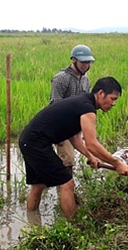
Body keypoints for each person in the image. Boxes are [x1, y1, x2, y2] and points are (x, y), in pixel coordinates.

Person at [19, 76, 128, 220]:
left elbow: (75, 138)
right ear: (101, 93)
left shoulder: (82, 103)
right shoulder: (87, 108)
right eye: (113, 98)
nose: (114, 103)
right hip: (37, 142)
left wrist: (90, 156)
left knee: (39, 185)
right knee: (67, 182)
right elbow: (92, 144)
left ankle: (32, 222)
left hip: (29, 140)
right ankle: (73, 227)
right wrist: (116, 163)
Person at [49, 44, 95, 176]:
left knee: (75, 157)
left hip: (76, 125)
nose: (86, 65)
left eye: (88, 62)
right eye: (83, 62)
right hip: (61, 125)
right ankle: (66, 191)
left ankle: (68, 188)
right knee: (67, 161)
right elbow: (54, 104)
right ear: (74, 60)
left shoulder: (86, 80)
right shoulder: (61, 78)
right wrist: (57, 131)